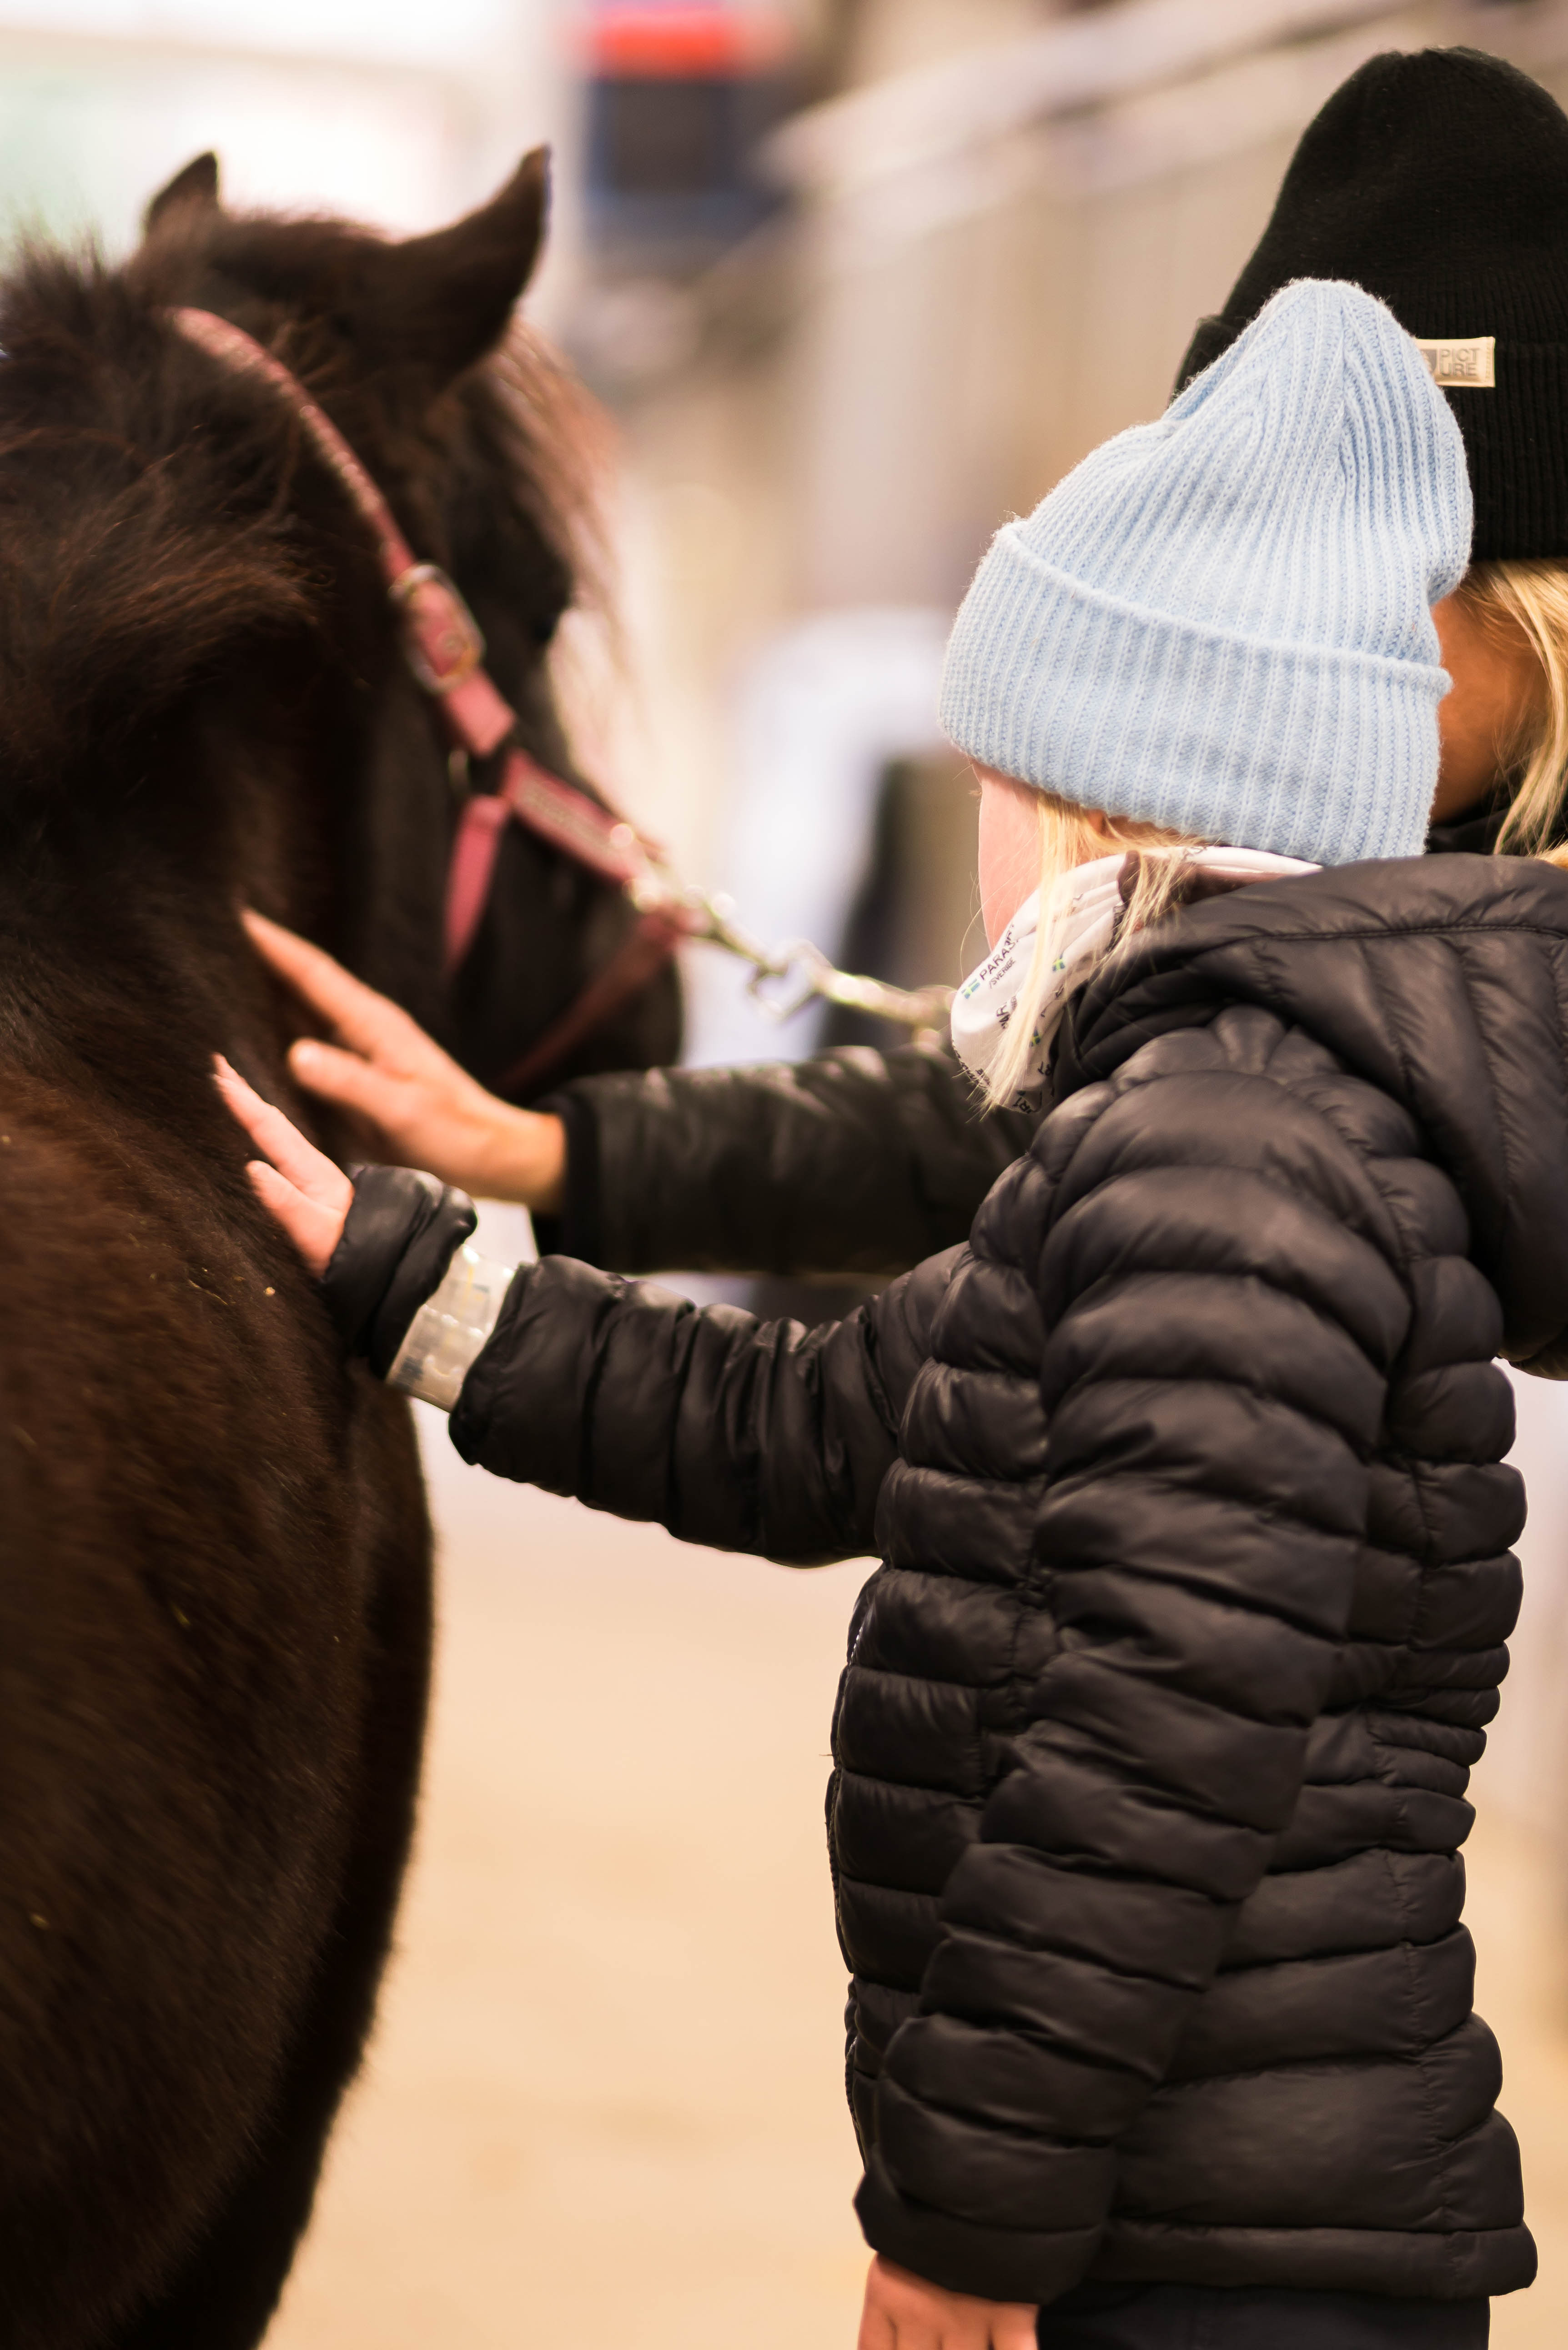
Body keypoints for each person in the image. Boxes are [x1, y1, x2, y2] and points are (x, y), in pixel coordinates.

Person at [221, 277, 1559, 2348]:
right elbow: (814, 1419)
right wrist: (419, 1278)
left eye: (996, 776)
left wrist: (969, 2222)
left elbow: (1146, 1747)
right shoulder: (1182, 1124)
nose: (974, 833)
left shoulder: (1222, 1158)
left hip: (1215, 2255)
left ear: (1114, 800)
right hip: (1206, 2208)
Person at [231, 46, 1568, 1301]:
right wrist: (555, 1156)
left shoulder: (1428, 956)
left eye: (1360, 575)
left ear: (1533, 593)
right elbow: (1055, 1113)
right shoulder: (1351, 915)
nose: (1284, 638)